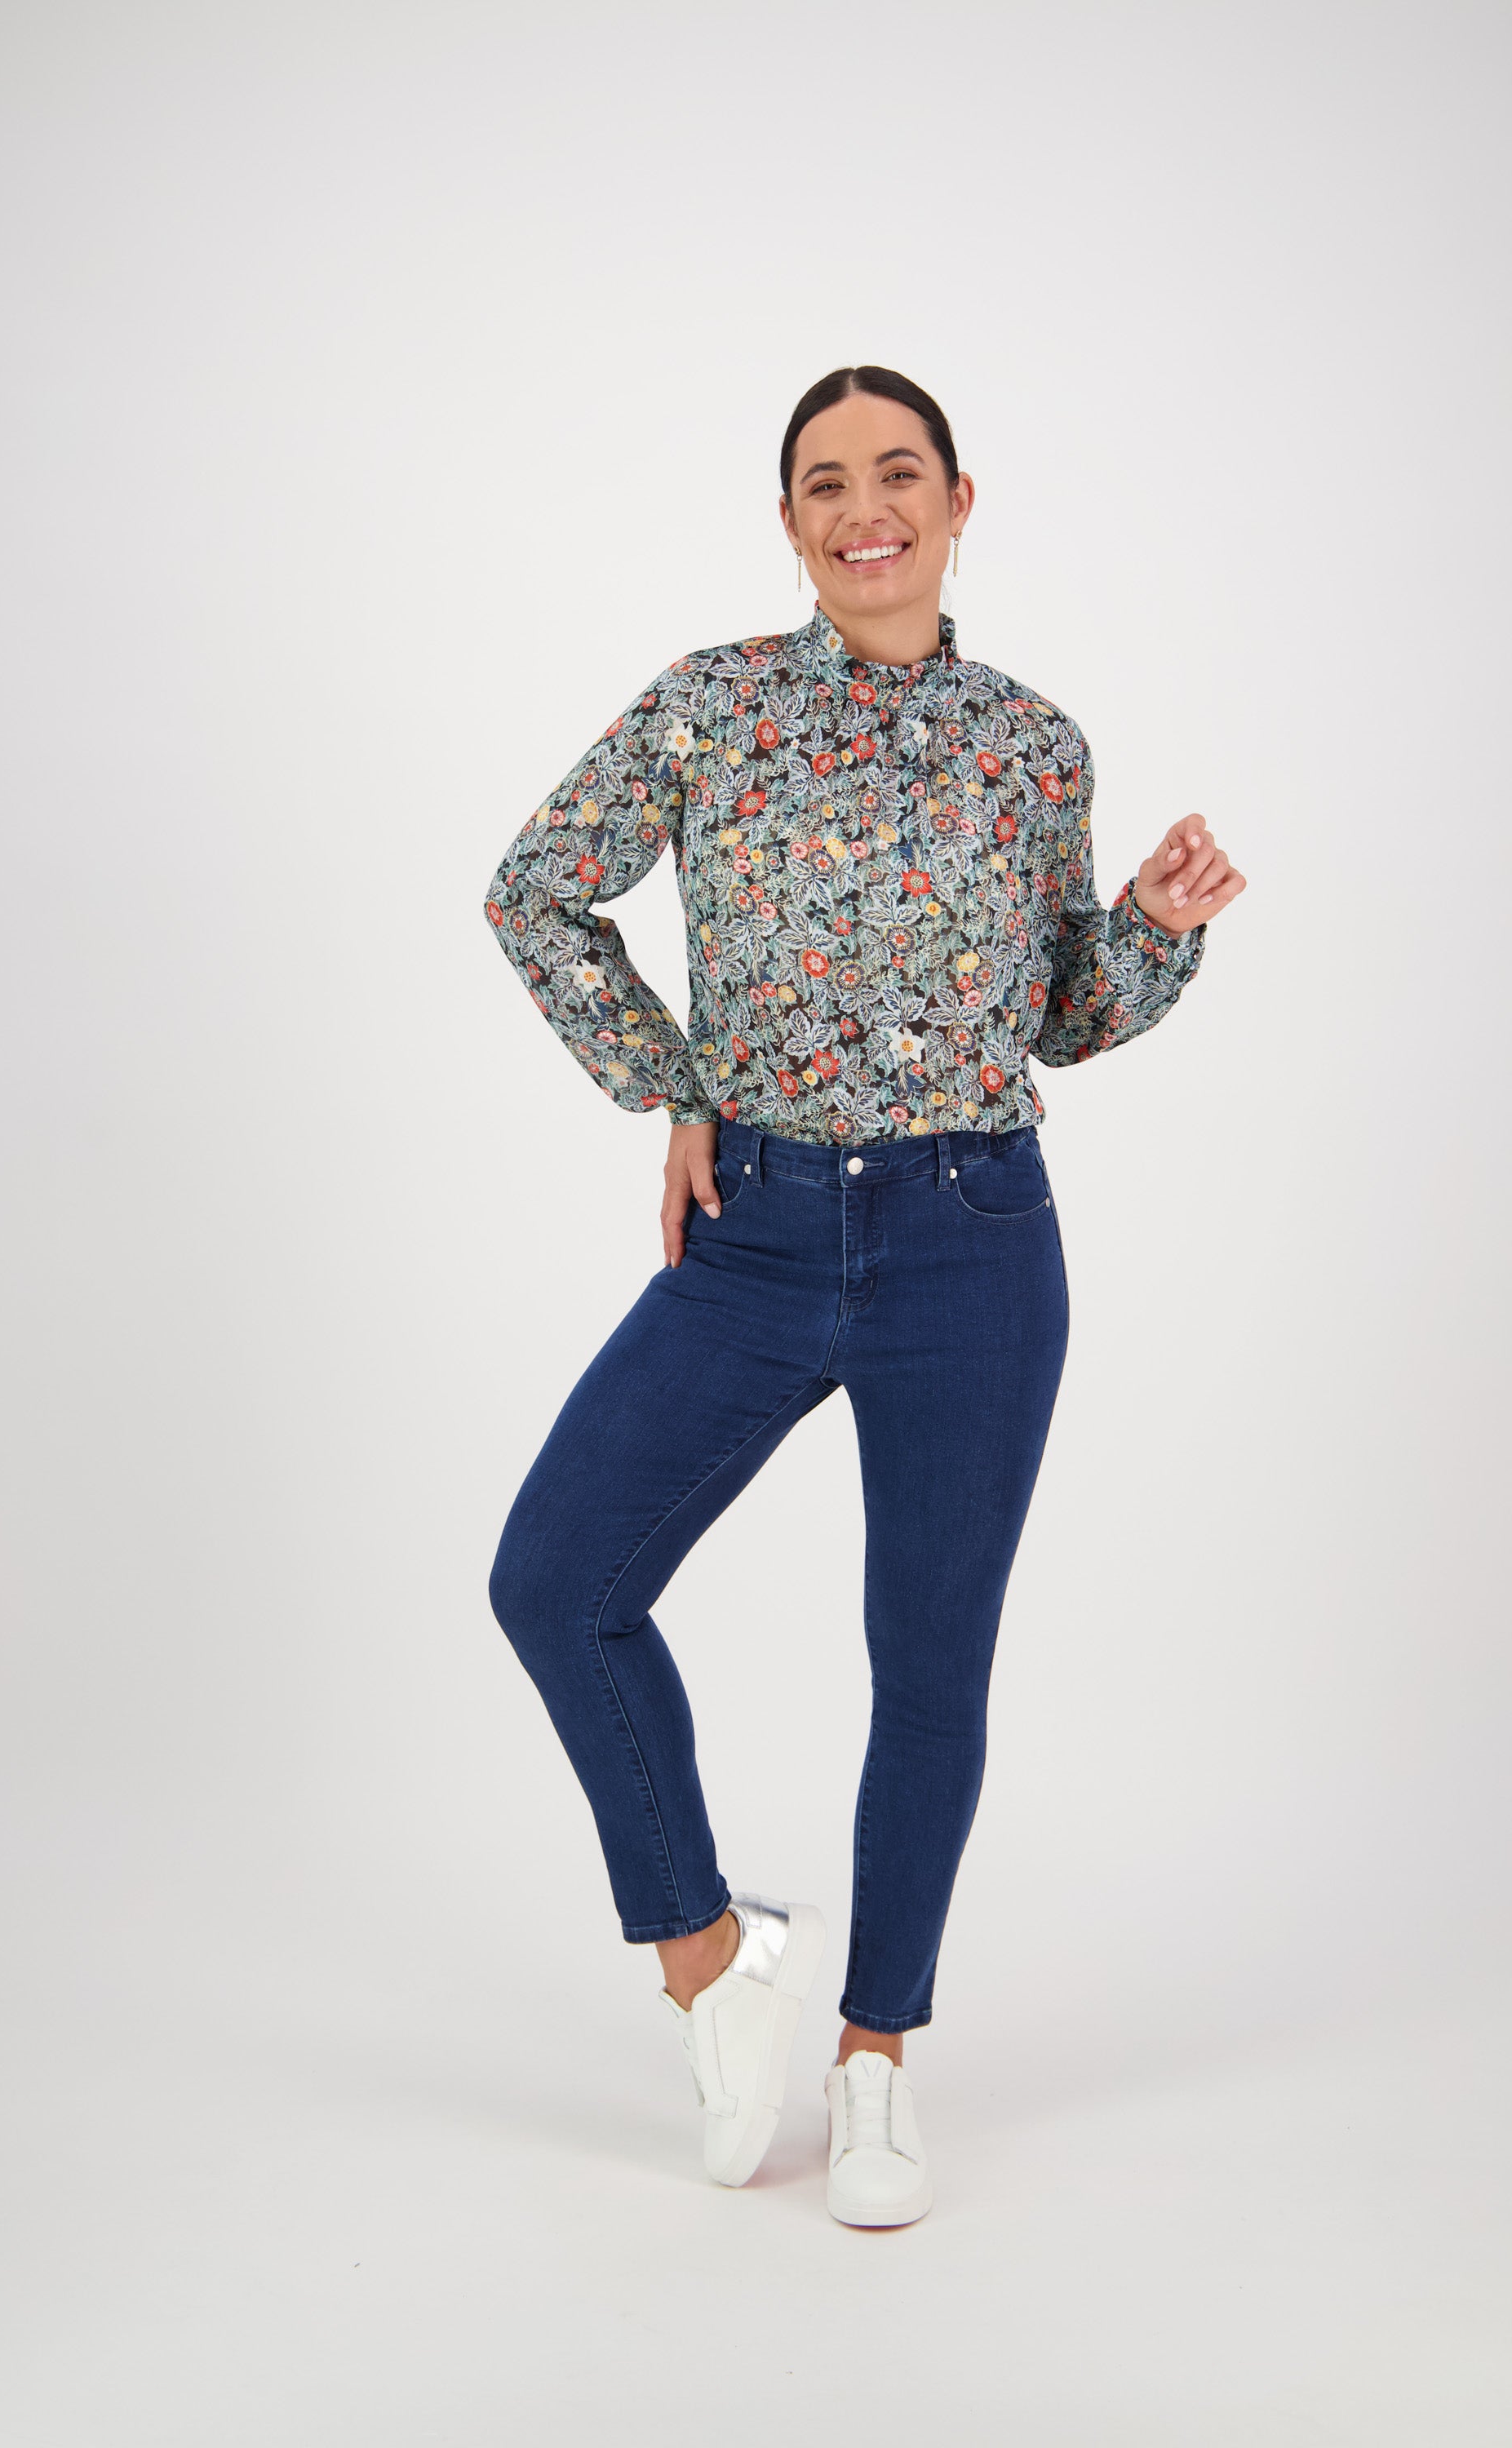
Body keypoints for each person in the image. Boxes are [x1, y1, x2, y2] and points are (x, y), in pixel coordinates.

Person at [483, 366, 1244, 2227]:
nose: (863, 508)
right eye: (824, 484)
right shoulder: (712, 704)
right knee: (557, 1581)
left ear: (959, 502)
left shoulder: (1035, 744)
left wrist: (1152, 935)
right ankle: (707, 1956)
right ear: (790, 523)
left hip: (973, 1236)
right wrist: (673, 1085)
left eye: (897, 473)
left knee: (929, 1661)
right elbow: (534, 893)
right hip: (752, 1228)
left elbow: (1054, 1013)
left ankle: (878, 2055)